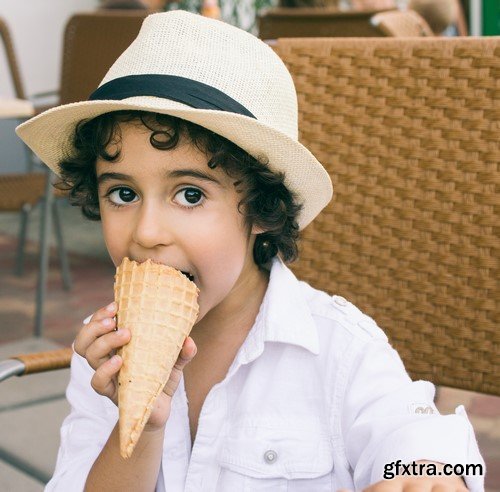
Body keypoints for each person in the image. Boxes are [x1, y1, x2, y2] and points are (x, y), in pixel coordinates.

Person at [16, 10, 485, 492]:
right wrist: (140, 428)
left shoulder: (340, 349)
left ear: (261, 209)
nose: (147, 230)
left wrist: (428, 476)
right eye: (123, 194)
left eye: (190, 195)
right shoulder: (105, 353)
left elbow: (425, 441)